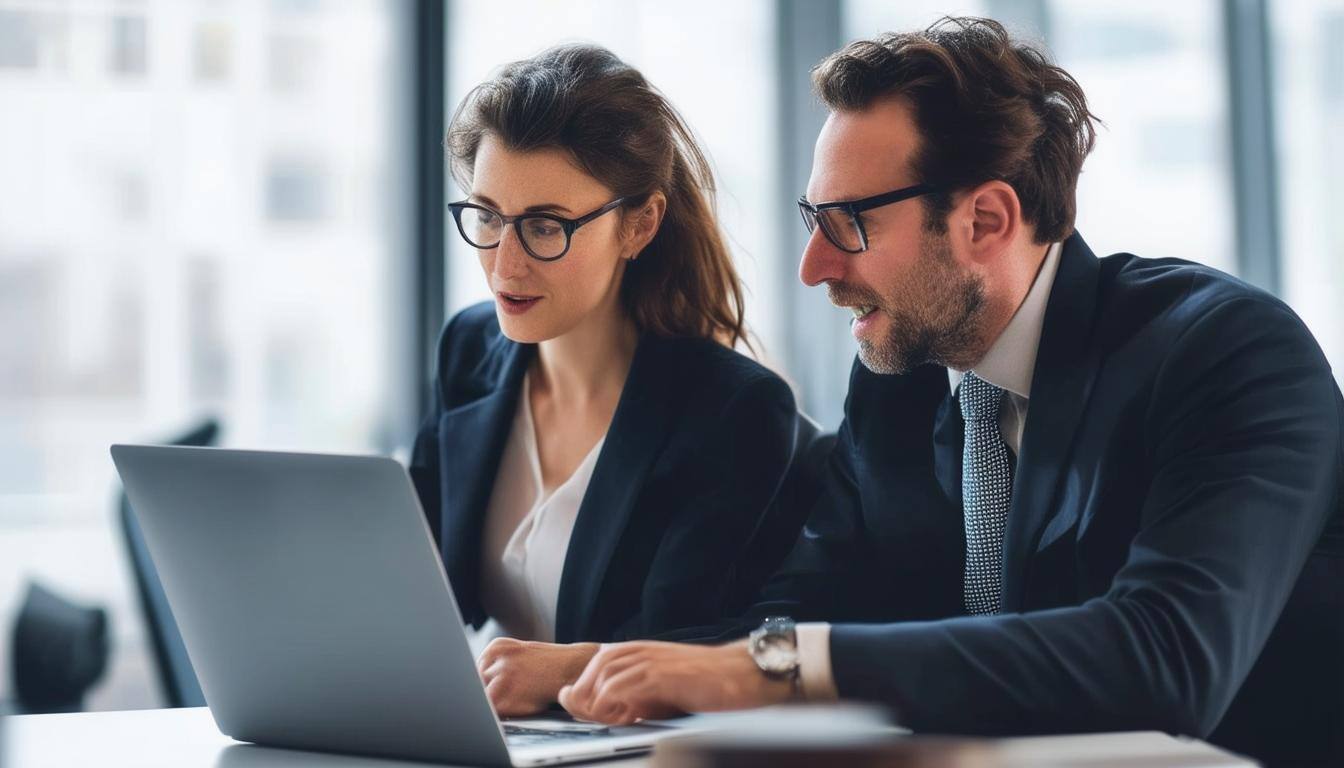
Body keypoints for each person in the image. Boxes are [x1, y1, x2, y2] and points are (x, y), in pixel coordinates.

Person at [555, 18, 1344, 767]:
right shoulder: (900, 383)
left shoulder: (1227, 353)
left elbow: (1166, 657)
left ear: (986, 219)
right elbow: (807, 617)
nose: (815, 268)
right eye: (811, 220)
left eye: (847, 224)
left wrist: (779, 666)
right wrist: (601, 670)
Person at [406, 44, 801, 717]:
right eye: (489, 216)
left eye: (544, 227)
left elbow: (710, 647)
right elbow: (414, 582)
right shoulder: (468, 349)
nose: (505, 262)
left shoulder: (732, 412)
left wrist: (570, 668)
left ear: (639, 224)